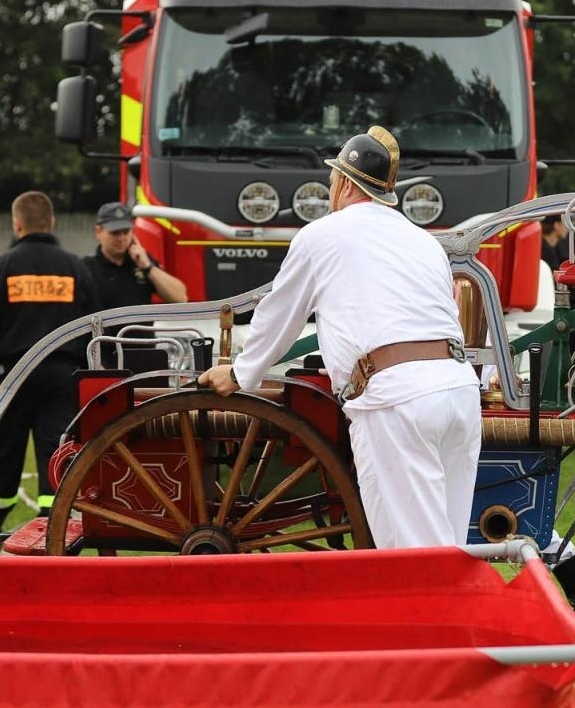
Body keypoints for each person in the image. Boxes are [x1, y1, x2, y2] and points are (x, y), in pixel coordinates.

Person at [199, 126, 482, 551]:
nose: (331, 191)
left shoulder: (322, 235)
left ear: (347, 184)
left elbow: (280, 313)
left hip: (397, 400)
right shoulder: (424, 242)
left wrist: (240, 373)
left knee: (415, 554)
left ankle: (442, 617)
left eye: (332, 182)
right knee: (449, 542)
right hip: (459, 391)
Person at [0, 191, 99, 546]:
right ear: (51, 222)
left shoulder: (2, 267)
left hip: (14, 375)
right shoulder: (75, 268)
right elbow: (95, 325)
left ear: (16, 223)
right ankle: (53, 526)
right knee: (56, 449)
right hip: (62, 375)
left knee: (6, 448)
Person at [85, 202, 188, 308]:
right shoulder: (86, 269)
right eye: (115, 233)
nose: (121, 239)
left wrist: (148, 267)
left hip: (138, 325)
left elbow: (181, 298)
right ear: (98, 232)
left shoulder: (143, 263)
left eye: (126, 232)